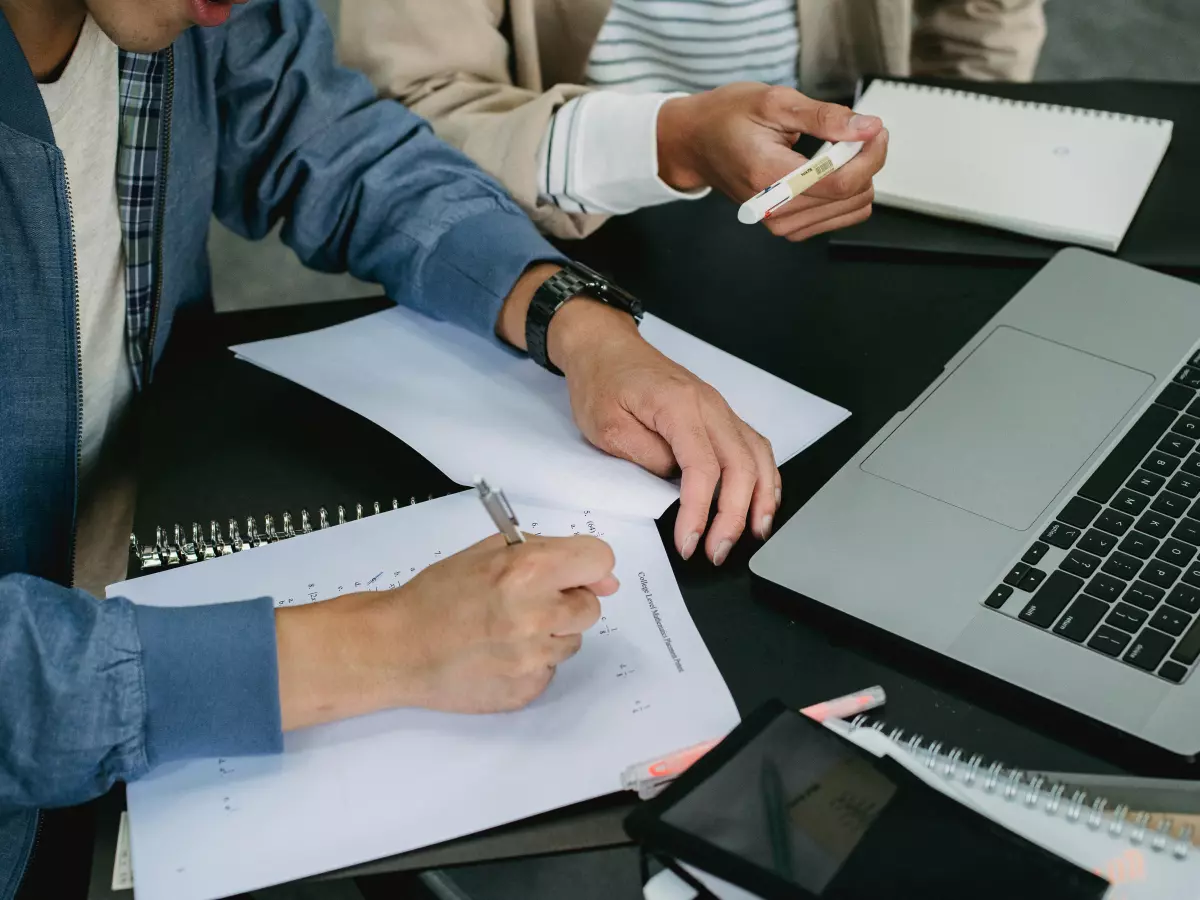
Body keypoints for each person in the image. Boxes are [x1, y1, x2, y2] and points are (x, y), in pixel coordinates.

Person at [0, 1, 780, 896]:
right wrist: (386, 644)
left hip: (151, 558)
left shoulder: (196, 15)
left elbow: (328, 140)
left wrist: (572, 317)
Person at [340, 0, 1046, 242]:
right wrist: (668, 142)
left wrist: (934, 142)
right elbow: (401, 117)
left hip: (840, 200)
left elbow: (980, 24)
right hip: (556, 217)